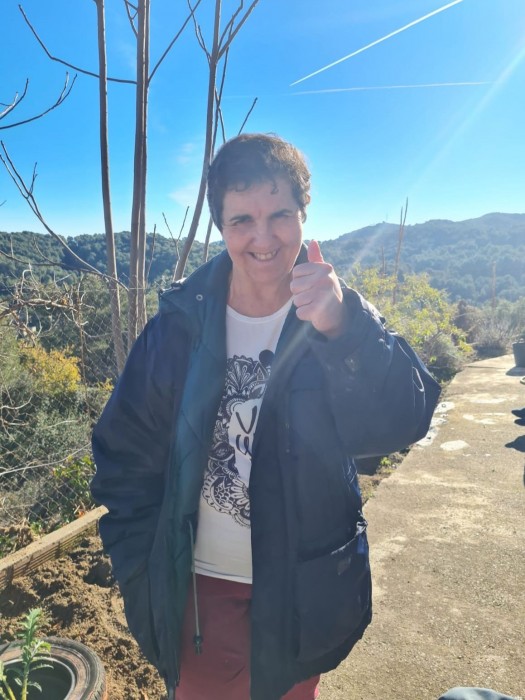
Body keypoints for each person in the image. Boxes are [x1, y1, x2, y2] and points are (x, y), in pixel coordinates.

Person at [90, 133, 441, 700]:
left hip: (306, 589)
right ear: (220, 226)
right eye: (241, 220)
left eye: (280, 215)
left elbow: (405, 421)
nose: (263, 237)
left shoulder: (338, 314)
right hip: (200, 591)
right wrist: (140, 566)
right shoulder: (179, 326)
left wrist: (346, 327)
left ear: (304, 214)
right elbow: (121, 453)